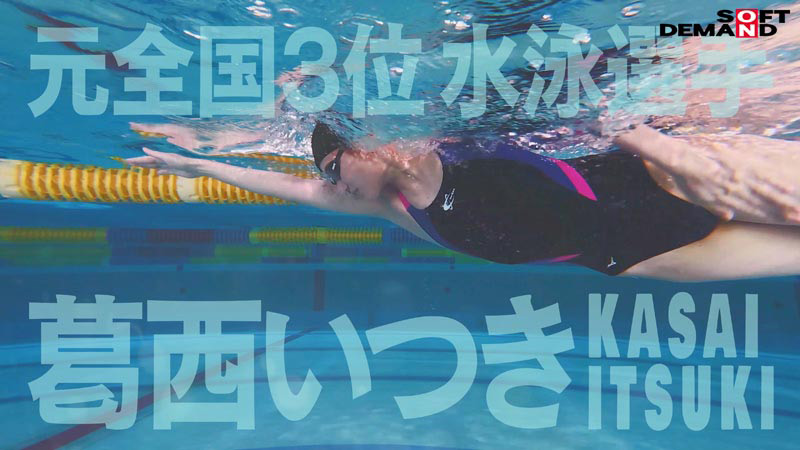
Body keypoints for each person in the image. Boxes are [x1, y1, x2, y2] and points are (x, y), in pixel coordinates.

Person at [126, 122, 800, 281]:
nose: (332, 182)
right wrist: (191, 161)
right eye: (328, 173)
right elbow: (289, 187)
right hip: (641, 257)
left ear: (371, 146)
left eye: (336, 165)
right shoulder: (383, 207)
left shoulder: (443, 146)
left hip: (657, 184)